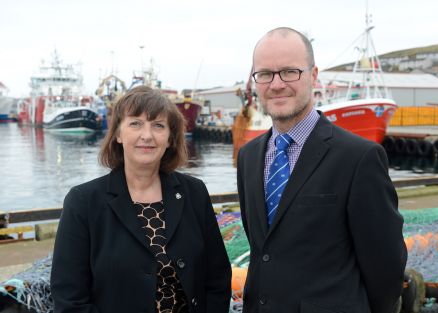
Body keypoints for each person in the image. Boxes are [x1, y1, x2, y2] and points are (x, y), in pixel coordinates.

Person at [237, 27, 407, 313]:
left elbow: (386, 266)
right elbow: (262, 251)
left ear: (313, 76)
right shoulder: (249, 157)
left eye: (290, 72)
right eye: (265, 74)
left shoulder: (359, 158)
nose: (276, 84)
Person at [51, 86, 231, 313]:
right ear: (118, 134)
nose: (147, 135)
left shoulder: (193, 192)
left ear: (170, 139)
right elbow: (69, 298)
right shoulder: (83, 202)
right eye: (135, 123)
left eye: (158, 125)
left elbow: (217, 277)